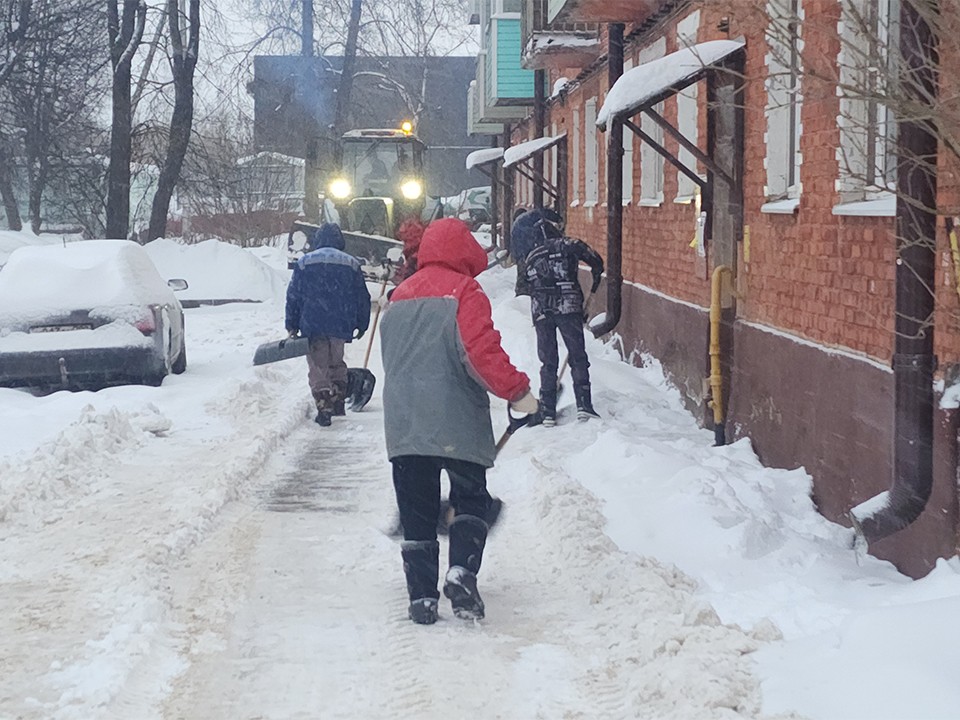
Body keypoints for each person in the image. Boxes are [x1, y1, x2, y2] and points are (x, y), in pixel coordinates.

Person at [379, 217, 538, 625]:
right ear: (463, 250)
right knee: (470, 499)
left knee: (416, 509)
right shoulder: (464, 291)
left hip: (405, 423)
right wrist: (517, 391)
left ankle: (421, 599)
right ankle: (461, 573)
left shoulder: (398, 296)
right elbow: (479, 352)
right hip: (457, 419)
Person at [285, 223, 371, 426]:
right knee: (336, 361)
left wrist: (292, 323)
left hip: (312, 323)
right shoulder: (351, 263)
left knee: (318, 365)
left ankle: (324, 406)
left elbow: (294, 296)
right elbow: (362, 297)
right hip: (341, 323)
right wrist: (362, 323)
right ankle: (339, 400)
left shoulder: (305, 262)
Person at [522, 211, 604, 426]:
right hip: (568, 307)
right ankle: (584, 406)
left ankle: (547, 410)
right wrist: (591, 292)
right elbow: (597, 262)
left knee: (548, 360)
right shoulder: (570, 244)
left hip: (541, 310)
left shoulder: (531, 256)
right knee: (577, 356)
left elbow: (525, 284)